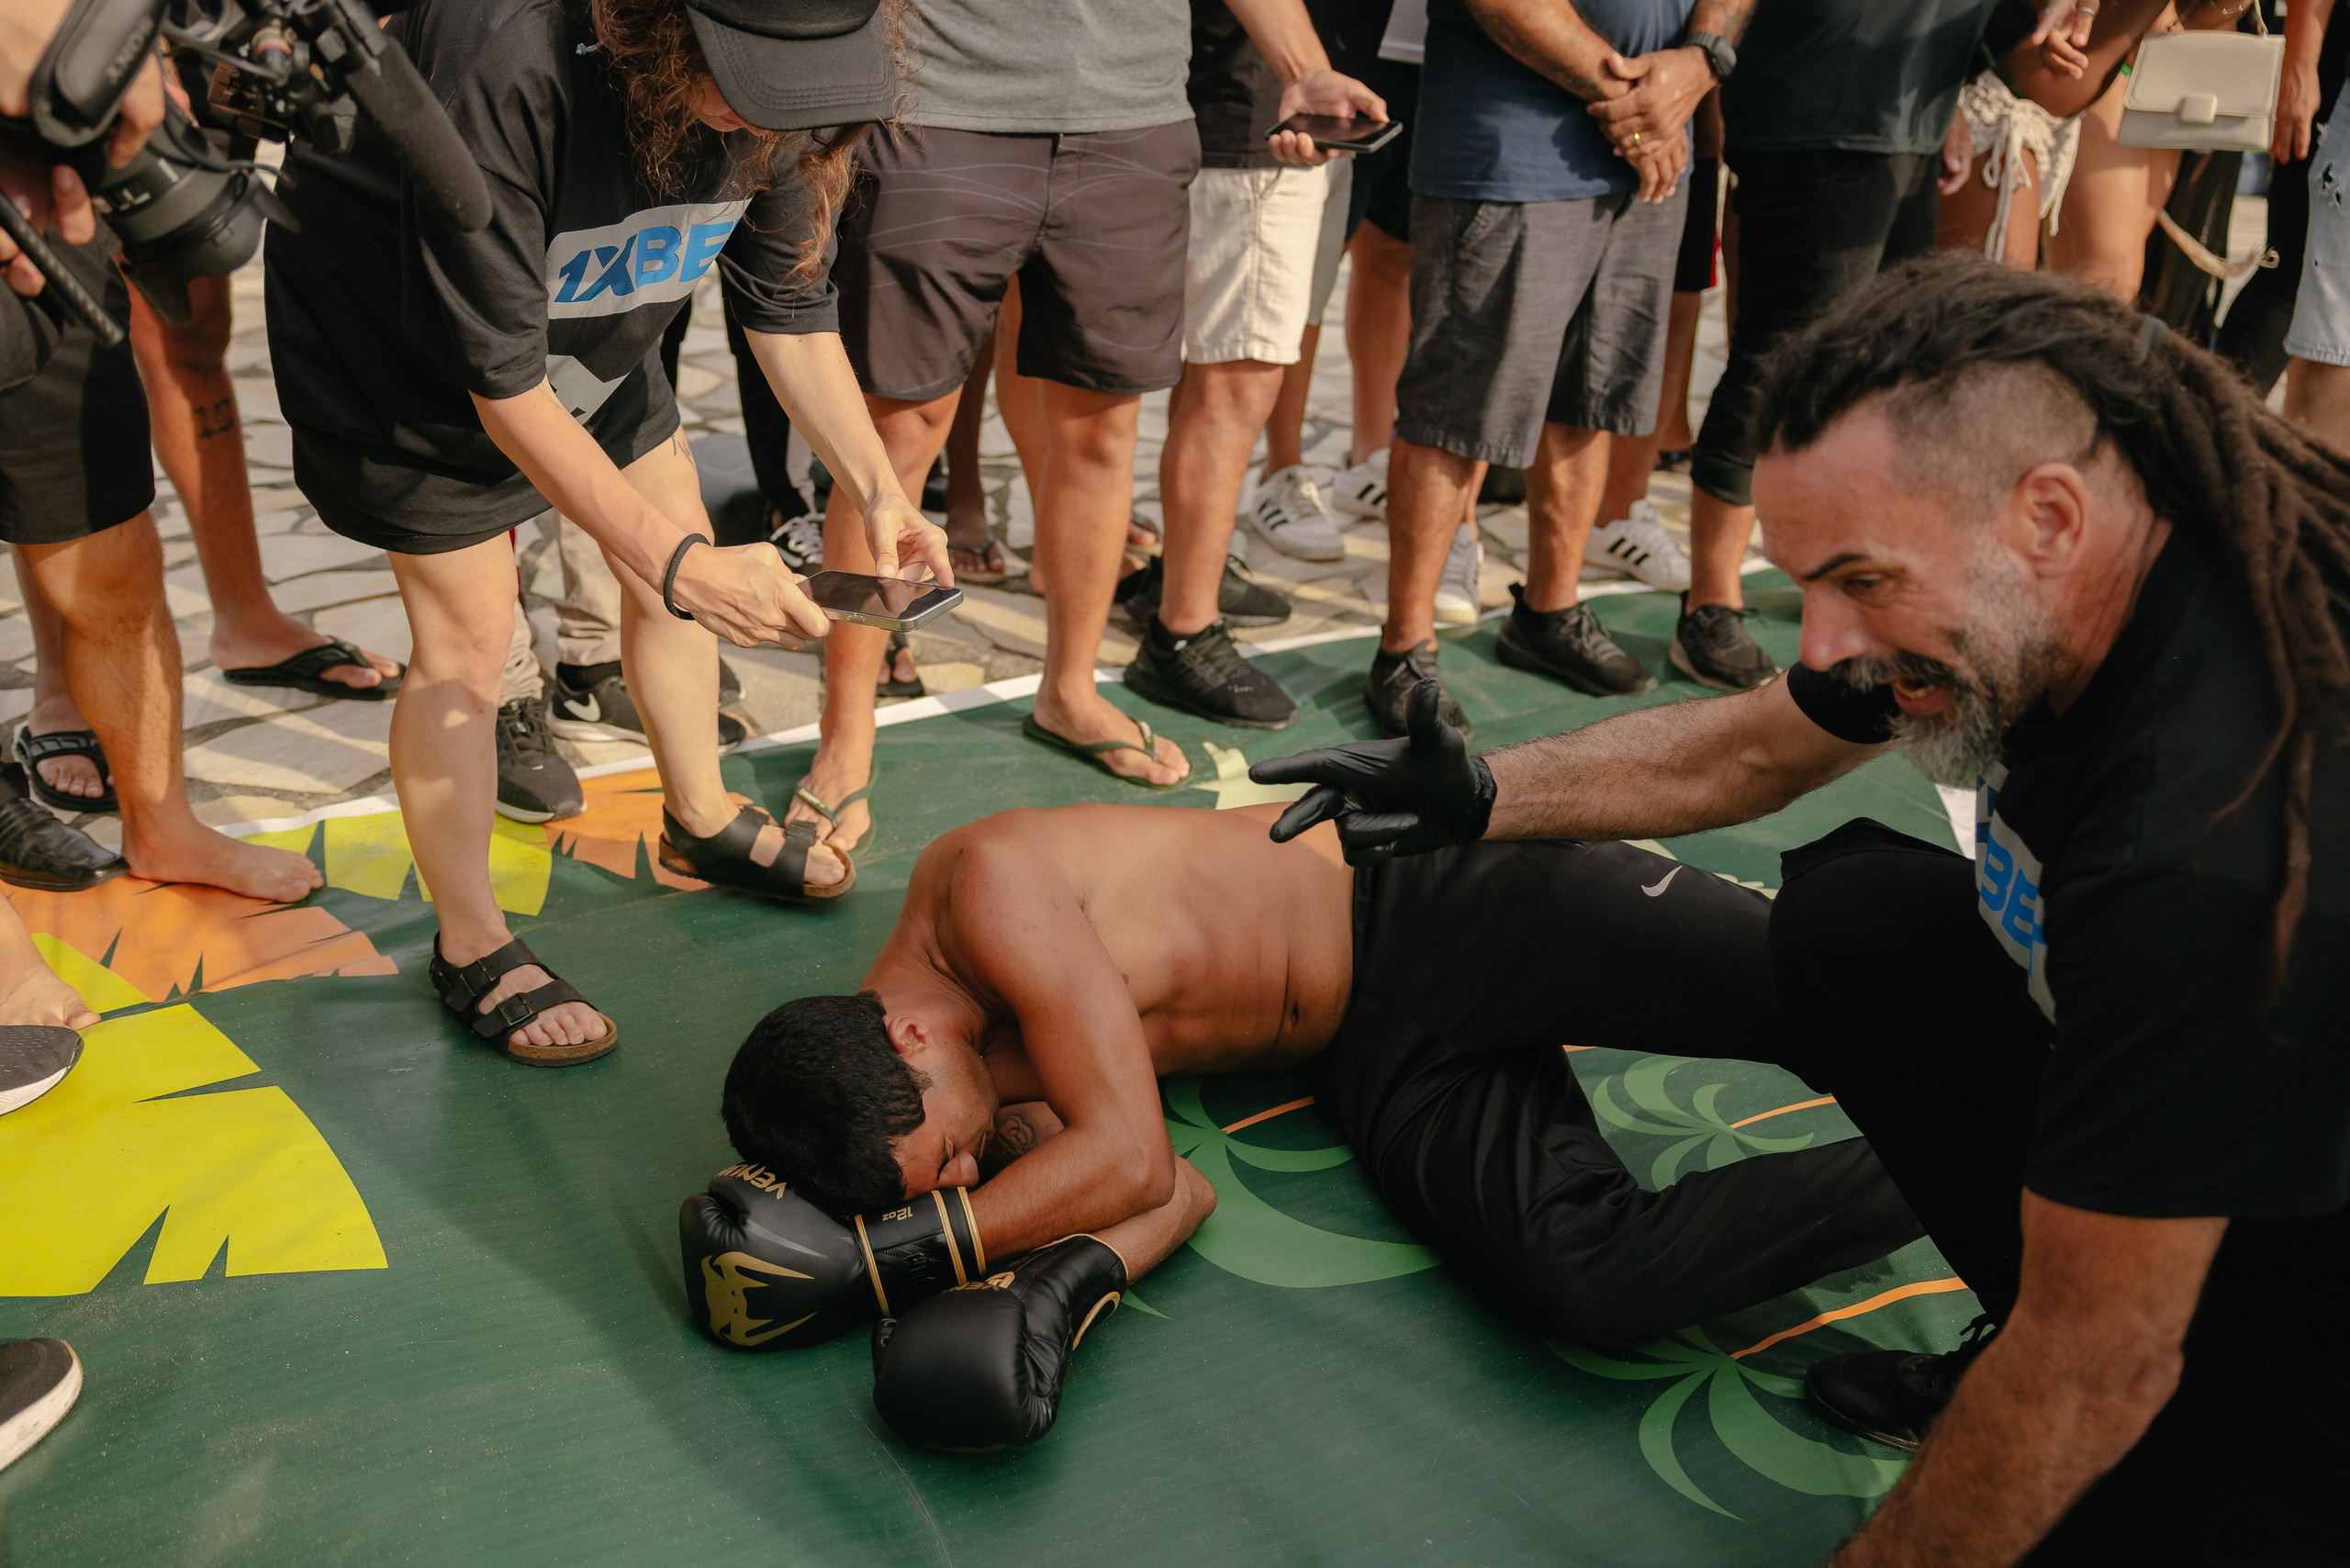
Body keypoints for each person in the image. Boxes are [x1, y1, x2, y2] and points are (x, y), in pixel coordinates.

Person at [1253, 255, 2350, 1561]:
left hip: (2311, 1252)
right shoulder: (2053, 576)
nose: (1820, 643)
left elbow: (2092, 1366)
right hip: (2212, 1090)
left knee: (2096, 1444)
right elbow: (1752, 752)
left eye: (1862, 582)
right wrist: (1479, 793)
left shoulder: (2198, 838)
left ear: (2048, 519)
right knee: (1860, 932)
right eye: (1804, 583)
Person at [263, 0, 948, 1065]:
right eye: (746, 80)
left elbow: (784, 303)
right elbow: (501, 384)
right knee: (471, 639)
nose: (761, 121)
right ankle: (470, 940)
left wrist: (878, 487)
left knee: (671, 521)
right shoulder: (504, 59)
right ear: (661, 30)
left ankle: (701, 813)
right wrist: (679, 566)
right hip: (405, 350)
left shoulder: (783, 82)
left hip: (594, 313)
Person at [693, 795, 1922, 1382]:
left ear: (908, 1035)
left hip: (1449, 893)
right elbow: (1166, 1191)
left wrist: (894, 1259)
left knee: (1865, 1005)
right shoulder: (926, 1075)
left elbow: (1116, 1160)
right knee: (1584, 1283)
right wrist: (1071, 1272)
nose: (967, 1170)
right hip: (1373, 1049)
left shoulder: (991, 889)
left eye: (950, 1159)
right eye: (945, 1182)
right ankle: (1998, 1168)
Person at [1371, 0, 1735, 738]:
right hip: (1514, 145)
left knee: (1594, 392)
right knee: (1456, 411)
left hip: (1655, 149)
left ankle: (1549, 610)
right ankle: (1405, 648)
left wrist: (1701, 60)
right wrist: (1641, 104)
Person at [1622, 0, 1998, 699]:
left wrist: (1944, 97)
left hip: (1911, 110)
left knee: (1887, 379)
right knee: (1783, 366)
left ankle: (1861, 586)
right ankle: (1709, 603)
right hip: (1816, 112)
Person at [1122, 5, 1382, 731]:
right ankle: (1183, 633)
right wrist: (1304, 70)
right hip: (1254, 115)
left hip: (1257, 105)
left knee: (1220, 379)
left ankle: (1181, 582)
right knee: (1236, 385)